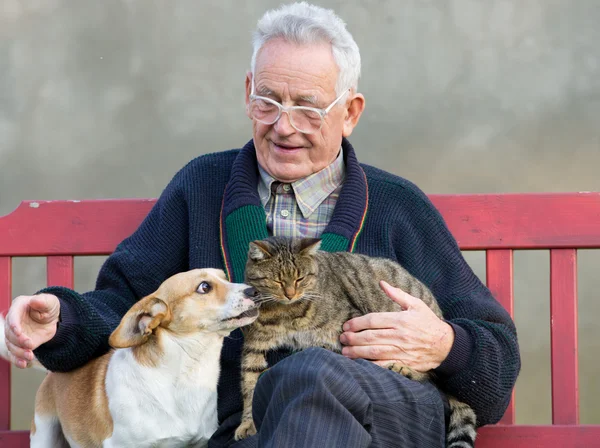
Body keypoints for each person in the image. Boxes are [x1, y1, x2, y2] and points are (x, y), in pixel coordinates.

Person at [4, 3, 520, 447]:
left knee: (308, 375)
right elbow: (127, 304)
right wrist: (61, 320)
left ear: (351, 113)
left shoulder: (398, 206)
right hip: (245, 431)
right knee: (291, 390)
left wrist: (445, 344)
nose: (284, 125)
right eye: (268, 101)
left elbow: (497, 362)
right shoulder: (200, 187)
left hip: (386, 416)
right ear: (248, 91)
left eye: (308, 108)